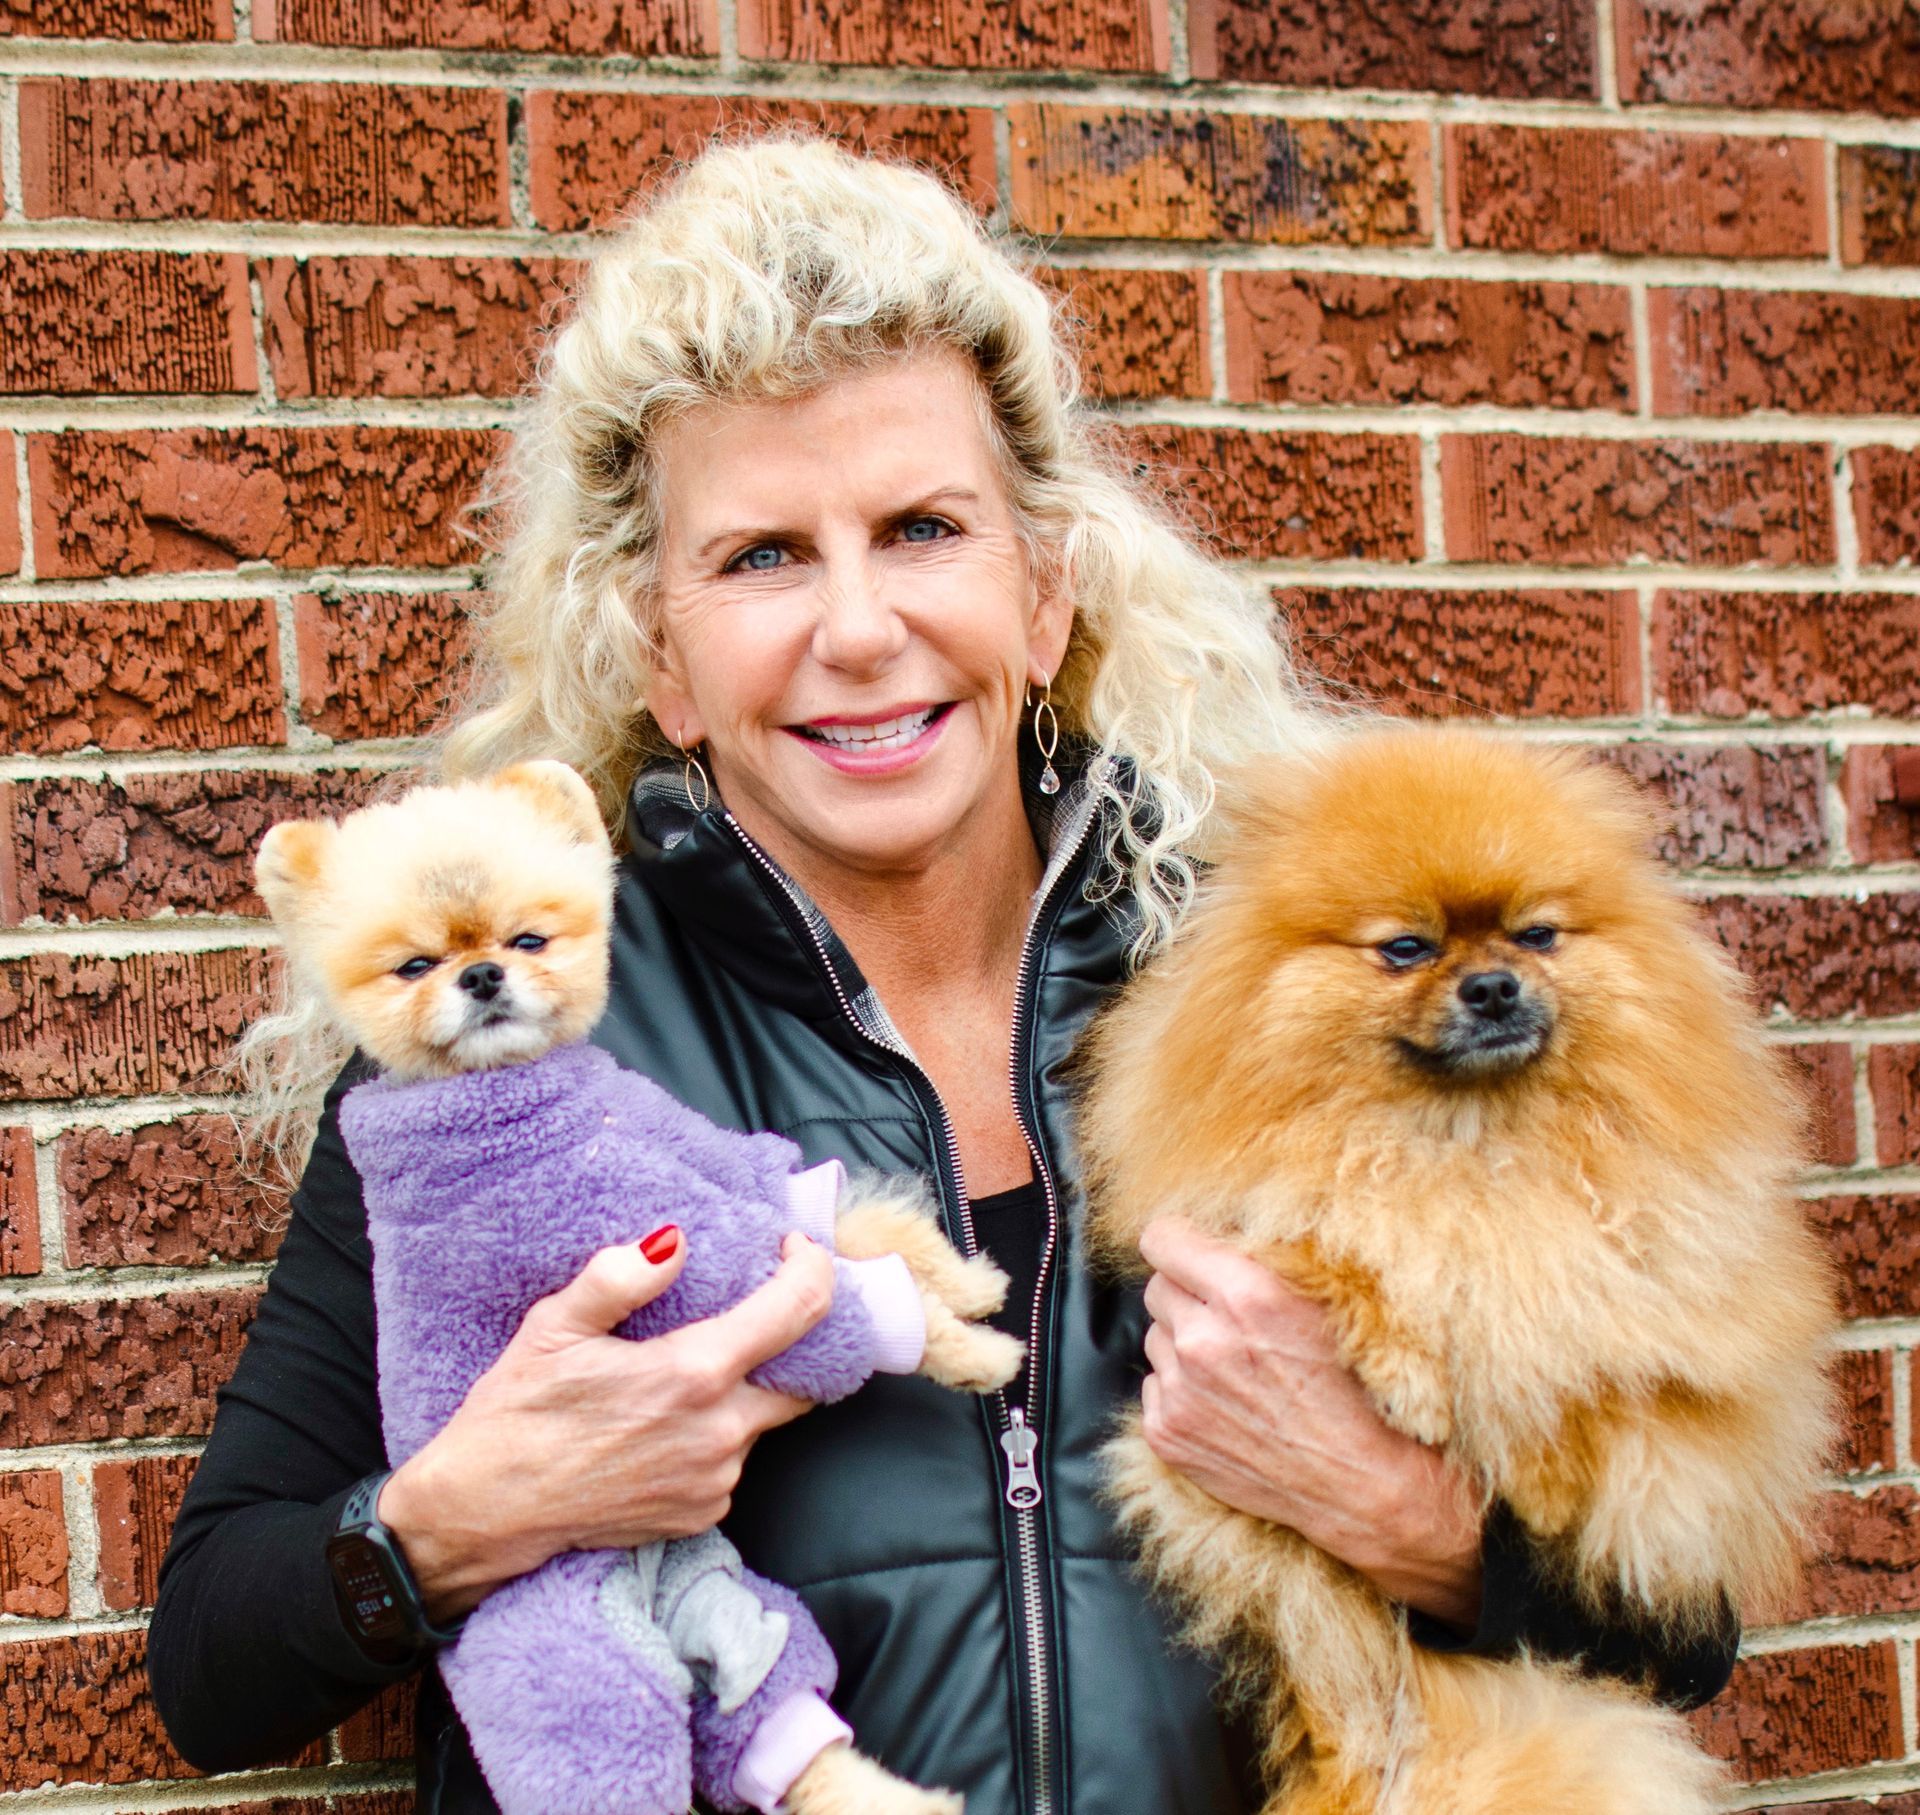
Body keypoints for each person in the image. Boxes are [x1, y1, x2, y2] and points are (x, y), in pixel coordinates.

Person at [149, 134, 1737, 1814]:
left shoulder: (1295, 991)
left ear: (1046, 593)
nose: (856, 629)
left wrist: (1406, 1518)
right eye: (762, 555)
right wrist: (470, 1511)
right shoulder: (513, 1063)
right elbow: (214, 1659)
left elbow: (1677, 1630)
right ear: (657, 656)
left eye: (922, 527)